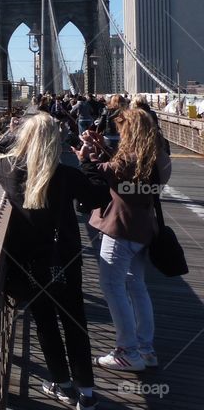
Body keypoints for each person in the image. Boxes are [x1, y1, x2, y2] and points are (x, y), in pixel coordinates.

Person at [0, 112, 103, 409]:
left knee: (45, 321)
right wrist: (88, 161)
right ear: (56, 141)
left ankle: (62, 385)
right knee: (74, 323)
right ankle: (87, 395)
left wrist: (10, 134)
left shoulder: (7, 169)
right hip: (65, 258)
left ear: (25, 139)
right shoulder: (68, 175)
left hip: (27, 263)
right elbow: (95, 199)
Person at [76, 107, 171, 372]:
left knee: (112, 287)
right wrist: (98, 149)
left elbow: (98, 173)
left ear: (129, 130)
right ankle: (145, 348)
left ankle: (127, 350)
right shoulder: (156, 156)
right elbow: (120, 173)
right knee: (137, 286)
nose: (118, 131)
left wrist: (85, 155)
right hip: (144, 229)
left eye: (121, 128)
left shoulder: (128, 160)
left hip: (121, 230)